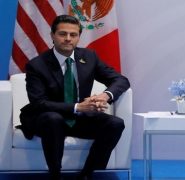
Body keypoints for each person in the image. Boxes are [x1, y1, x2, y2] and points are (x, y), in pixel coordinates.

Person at [18, 15, 130, 180]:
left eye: (73, 35)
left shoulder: (89, 56)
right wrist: (78, 107)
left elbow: (120, 80)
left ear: (78, 36)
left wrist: (105, 96)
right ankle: (55, 174)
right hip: (45, 118)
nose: (68, 39)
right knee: (53, 119)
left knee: (115, 123)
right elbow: (39, 102)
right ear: (52, 36)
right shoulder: (37, 65)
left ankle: (88, 174)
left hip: (78, 118)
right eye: (63, 34)